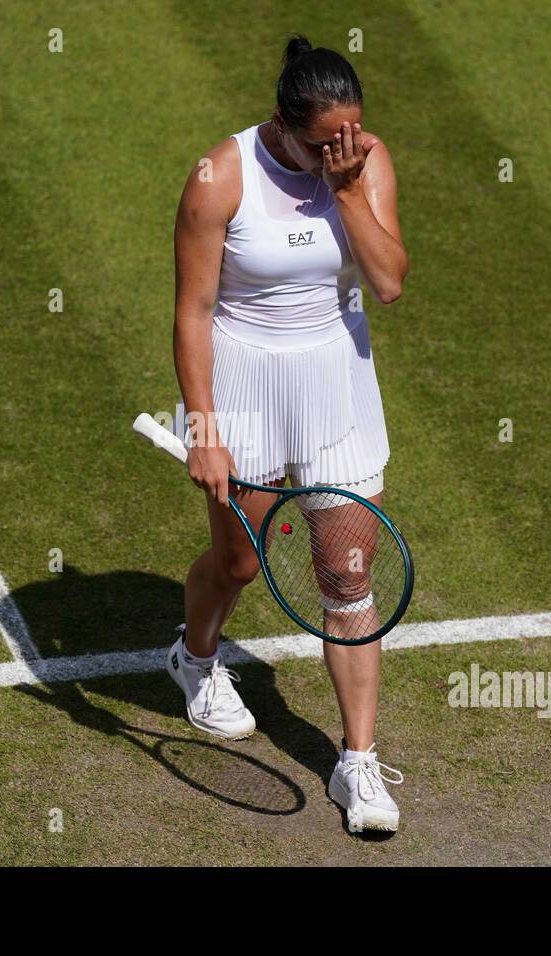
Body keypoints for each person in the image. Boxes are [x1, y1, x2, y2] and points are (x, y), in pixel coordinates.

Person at [167, 34, 409, 831]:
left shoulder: (361, 163)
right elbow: (194, 312)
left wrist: (345, 191)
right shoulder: (219, 178)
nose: (341, 149)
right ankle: (195, 660)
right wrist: (205, 430)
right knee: (239, 561)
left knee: (347, 580)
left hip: (336, 378)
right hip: (244, 382)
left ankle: (359, 765)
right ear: (280, 122)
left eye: (351, 133)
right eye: (322, 141)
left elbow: (390, 282)